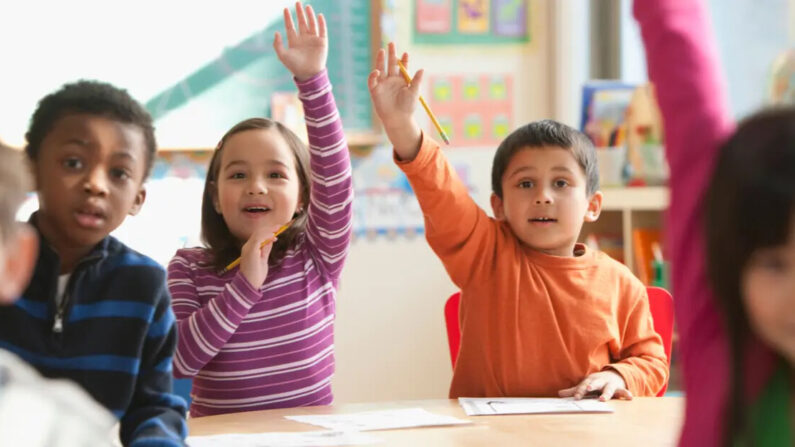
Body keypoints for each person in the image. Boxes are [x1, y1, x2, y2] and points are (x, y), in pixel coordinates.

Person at [367, 43, 668, 401]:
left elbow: (650, 361)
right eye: (526, 184)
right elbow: (442, 193)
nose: (543, 196)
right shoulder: (484, 253)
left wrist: (619, 376)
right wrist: (401, 124)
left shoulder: (621, 284)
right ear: (499, 205)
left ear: (592, 205)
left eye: (561, 183)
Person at [168, 2, 353, 417]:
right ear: (215, 197)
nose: (256, 187)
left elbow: (336, 180)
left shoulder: (317, 255)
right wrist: (245, 284)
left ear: (305, 195)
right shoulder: (187, 269)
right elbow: (180, 360)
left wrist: (312, 81)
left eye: (276, 174)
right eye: (237, 176)